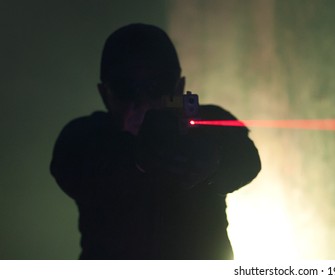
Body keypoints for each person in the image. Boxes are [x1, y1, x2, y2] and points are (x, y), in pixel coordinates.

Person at [50, 23, 261, 259]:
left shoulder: (207, 124)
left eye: (156, 86)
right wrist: (134, 153)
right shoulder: (85, 137)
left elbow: (246, 162)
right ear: (105, 93)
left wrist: (206, 157)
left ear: (179, 88)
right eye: (126, 88)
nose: (143, 101)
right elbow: (76, 171)